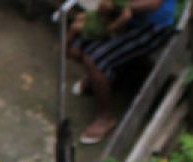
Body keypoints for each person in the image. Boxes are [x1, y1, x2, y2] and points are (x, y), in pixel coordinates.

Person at [66, 0, 178, 145]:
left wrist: (118, 6)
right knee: (76, 45)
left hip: (152, 26)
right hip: (124, 15)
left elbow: (152, 4)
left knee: (95, 60)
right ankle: (97, 80)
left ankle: (105, 117)